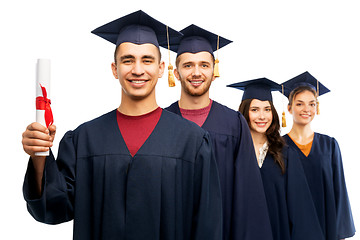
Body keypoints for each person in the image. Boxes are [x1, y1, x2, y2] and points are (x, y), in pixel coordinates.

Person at [21, 10, 222, 240]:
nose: (137, 70)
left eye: (147, 60)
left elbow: (207, 226)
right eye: (128, 60)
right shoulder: (84, 139)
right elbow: (53, 208)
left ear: (160, 68)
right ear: (114, 69)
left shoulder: (193, 142)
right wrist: (39, 155)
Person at [165, 24, 272, 240]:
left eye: (204, 65)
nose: (196, 72)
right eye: (188, 65)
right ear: (176, 73)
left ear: (213, 71)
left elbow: (248, 196)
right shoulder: (161, 123)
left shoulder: (234, 124)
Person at [228, 78, 325, 240]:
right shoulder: (232, 153)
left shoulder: (286, 154)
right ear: (245, 112)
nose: (262, 116)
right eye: (255, 110)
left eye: (267, 109)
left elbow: (300, 209)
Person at [282, 71, 356, 240]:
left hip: (326, 229)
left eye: (312, 104)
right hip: (290, 231)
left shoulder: (329, 145)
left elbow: (340, 192)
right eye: (299, 104)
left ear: (317, 107)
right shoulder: (278, 147)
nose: (306, 109)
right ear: (289, 107)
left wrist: (340, 234)